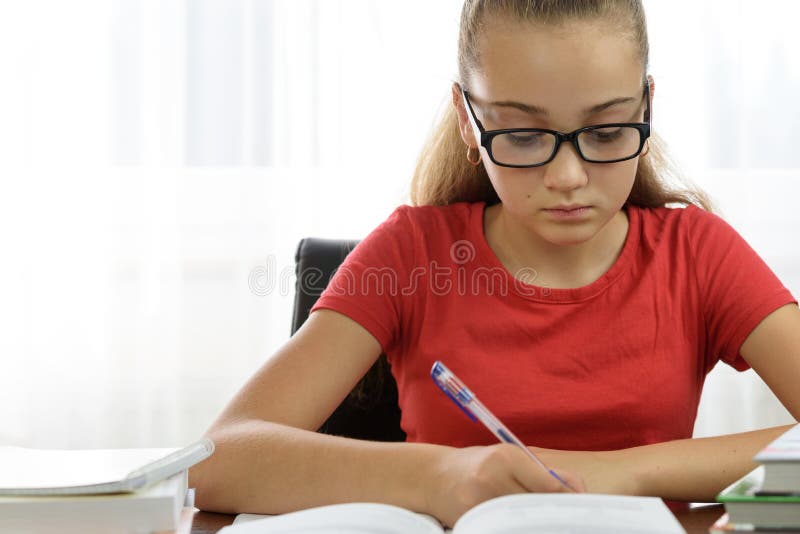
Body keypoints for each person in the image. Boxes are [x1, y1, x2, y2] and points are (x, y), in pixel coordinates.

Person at [190, 0, 800, 527]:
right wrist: (444, 476)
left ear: (646, 104)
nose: (568, 177)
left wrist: (622, 473)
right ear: (467, 117)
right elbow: (218, 458)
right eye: (524, 137)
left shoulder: (697, 253)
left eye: (609, 131)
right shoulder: (411, 256)